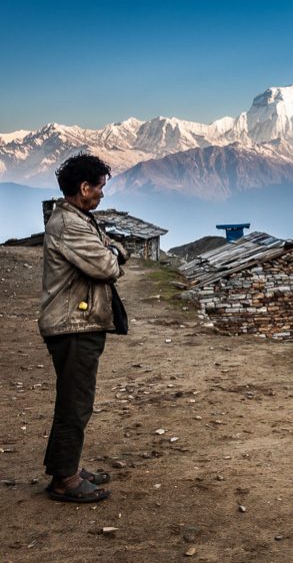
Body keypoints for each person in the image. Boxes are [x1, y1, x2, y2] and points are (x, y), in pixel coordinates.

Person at [38, 153, 129, 503]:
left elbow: (114, 252)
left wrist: (112, 251)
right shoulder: (70, 225)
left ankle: (65, 465)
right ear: (84, 187)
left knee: (74, 399)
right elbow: (108, 265)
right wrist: (112, 254)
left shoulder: (78, 218)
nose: (102, 195)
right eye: (100, 188)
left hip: (78, 323)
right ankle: (65, 479)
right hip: (73, 324)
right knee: (76, 402)